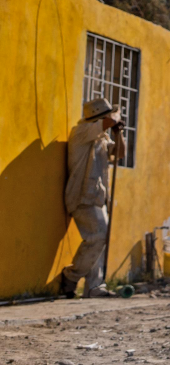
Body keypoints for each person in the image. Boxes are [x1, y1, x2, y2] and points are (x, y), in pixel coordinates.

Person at [59, 97, 124, 298]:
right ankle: (70, 276)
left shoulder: (101, 139)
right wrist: (115, 118)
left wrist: (118, 133)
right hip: (82, 197)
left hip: (97, 198)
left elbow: (119, 153)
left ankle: (94, 287)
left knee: (98, 241)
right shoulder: (82, 132)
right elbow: (109, 121)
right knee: (98, 236)